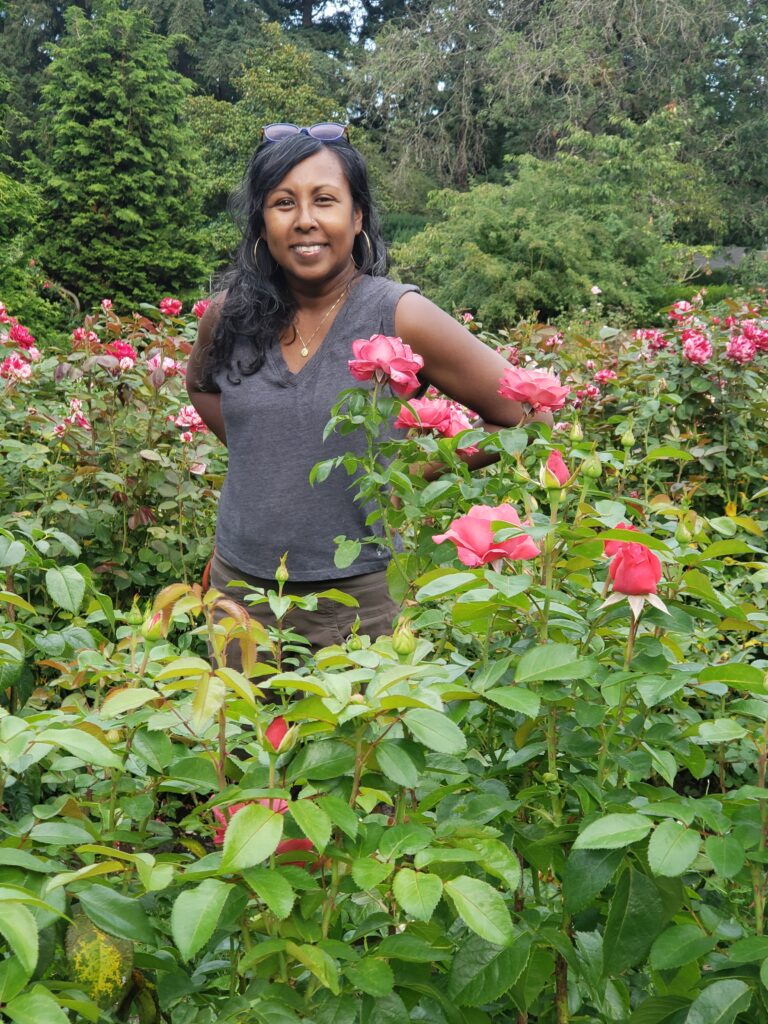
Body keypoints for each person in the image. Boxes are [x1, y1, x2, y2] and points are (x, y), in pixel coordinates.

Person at [186, 122, 540, 660]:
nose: (305, 220)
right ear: (262, 221)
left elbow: (527, 414)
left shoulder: (399, 314)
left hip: (356, 606)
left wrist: (413, 469)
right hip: (240, 599)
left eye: (324, 200)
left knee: (351, 745)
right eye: (283, 202)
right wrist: (272, 453)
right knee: (237, 744)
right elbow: (201, 388)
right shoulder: (230, 315)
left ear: (356, 217)